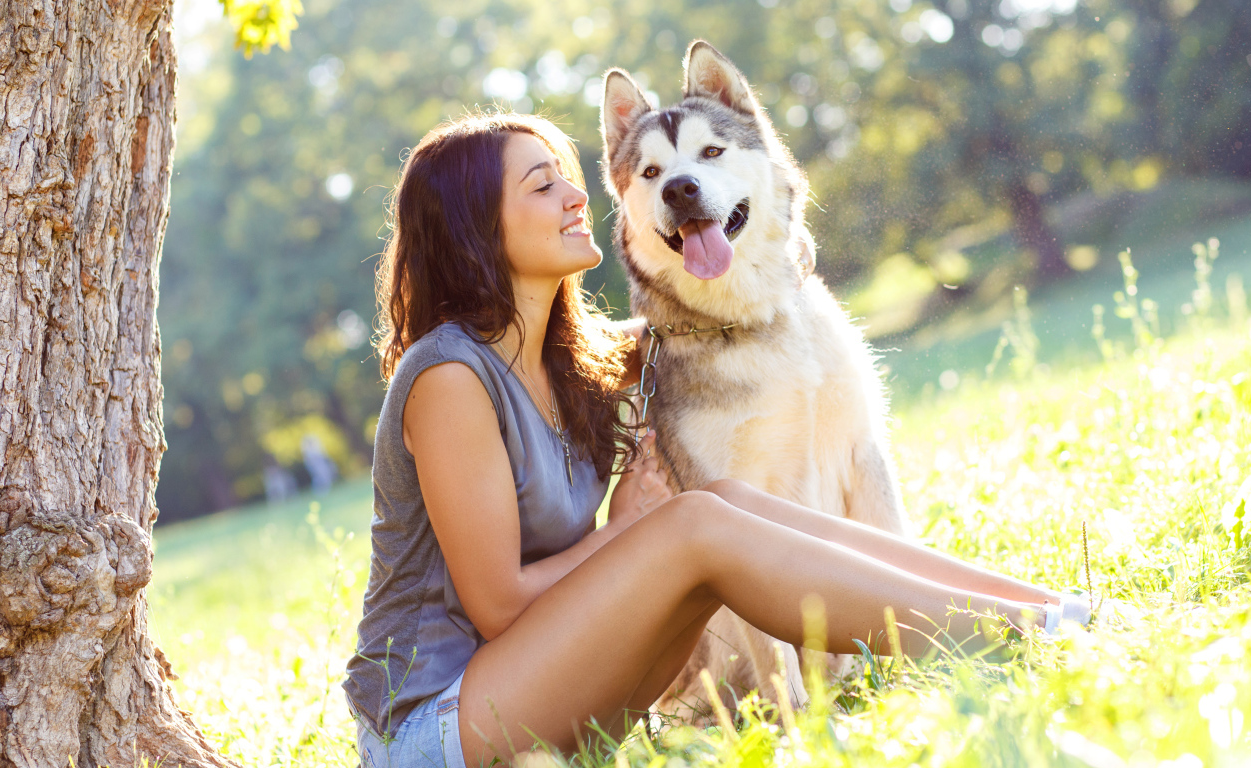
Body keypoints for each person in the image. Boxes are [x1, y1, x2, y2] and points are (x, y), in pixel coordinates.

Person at [343, 112, 1087, 768]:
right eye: (544, 187)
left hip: (543, 688)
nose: (580, 198)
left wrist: (769, 256)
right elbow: (499, 606)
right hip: (439, 728)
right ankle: (998, 636)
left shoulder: (570, 357)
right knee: (694, 520)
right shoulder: (449, 377)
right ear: (475, 223)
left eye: (571, 180)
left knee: (724, 498)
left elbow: (703, 313)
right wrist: (628, 526)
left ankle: (1053, 613)